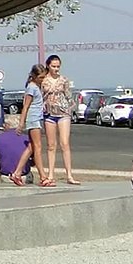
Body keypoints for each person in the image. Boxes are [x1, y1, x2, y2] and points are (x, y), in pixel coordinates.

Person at [40, 54, 79, 185]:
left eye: (58, 66)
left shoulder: (64, 80)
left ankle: (69, 175)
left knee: (65, 143)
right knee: (51, 145)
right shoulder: (43, 80)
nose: (56, 69)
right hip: (49, 114)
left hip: (63, 113)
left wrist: (73, 110)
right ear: (48, 66)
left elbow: (69, 96)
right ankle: (50, 174)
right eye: (53, 66)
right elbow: (39, 96)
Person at [10, 64, 48, 186]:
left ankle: (17, 173)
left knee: (31, 147)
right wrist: (21, 123)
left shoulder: (36, 87)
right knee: (37, 147)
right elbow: (25, 107)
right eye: (40, 77)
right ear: (34, 76)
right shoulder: (32, 87)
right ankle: (43, 176)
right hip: (33, 119)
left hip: (36, 118)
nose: (42, 80)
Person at [0, 114, 33, 183]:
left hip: (6, 176)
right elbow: (34, 159)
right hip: (24, 175)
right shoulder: (27, 139)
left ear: (7, 125)